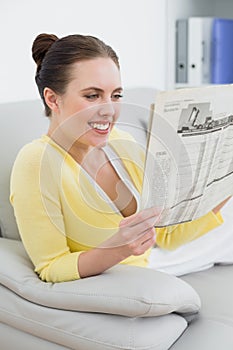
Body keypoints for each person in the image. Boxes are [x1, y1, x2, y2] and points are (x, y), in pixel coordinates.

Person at [10, 33, 228, 283]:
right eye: (92, 96)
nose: (109, 110)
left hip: (166, 262)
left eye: (116, 95)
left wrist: (223, 183)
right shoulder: (36, 162)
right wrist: (120, 248)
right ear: (52, 99)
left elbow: (166, 236)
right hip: (139, 278)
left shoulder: (119, 142)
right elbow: (51, 266)